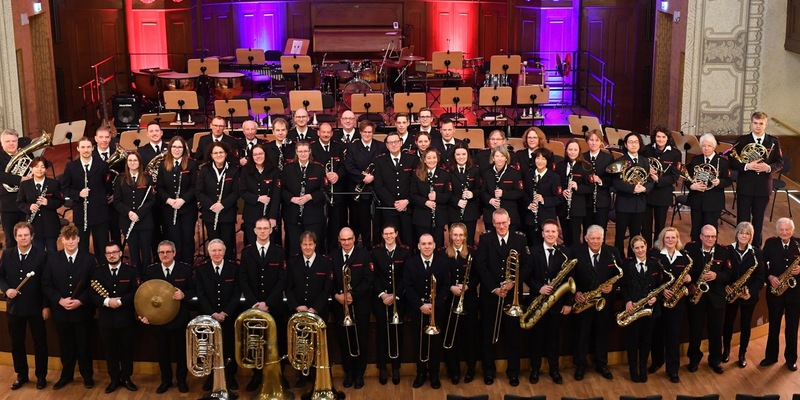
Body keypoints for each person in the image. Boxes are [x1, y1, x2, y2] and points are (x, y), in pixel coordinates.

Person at [476, 209, 529, 386]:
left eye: (503, 223)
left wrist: (514, 282)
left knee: (513, 336)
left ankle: (513, 372)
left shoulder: (520, 238)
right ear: (492, 223)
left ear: (509, 221)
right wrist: (494, 288)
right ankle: (489, 371)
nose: (500, 226)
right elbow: (481, 266)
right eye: (497, 223)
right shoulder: (485, 239)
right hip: (491, 295)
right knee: (488, 335)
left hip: (512, 295)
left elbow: (528, 266)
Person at [42, 224, 96, 390]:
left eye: (74, 238)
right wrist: (59, 300)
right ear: (62, 240)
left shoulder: (89, 258)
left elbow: (93, 285)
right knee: (65, 346)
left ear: (79, 239)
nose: (71, 241)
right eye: (67, 238)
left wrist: (81, 301)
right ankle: (67, 375)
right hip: (61, 311)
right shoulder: (52, 258)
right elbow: (46, 283)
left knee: (84, 344)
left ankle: (87, 376)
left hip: (82, 310)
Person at [239, 218, 289, 391]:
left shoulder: (279, 252)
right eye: (259, 228)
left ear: (270, 230)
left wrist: (267, 302)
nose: (262, 231)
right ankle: (257, 375)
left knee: (278, 340)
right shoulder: (246, 253)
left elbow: (282, 279)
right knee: (255, 341)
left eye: (265, 228)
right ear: (254, 231)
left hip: (273, 305)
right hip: (253, 307)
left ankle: (280, 374)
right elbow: (243, 279)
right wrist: (254, 302)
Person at [0, 222, 49, 390]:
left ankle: (41, 376)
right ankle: (21, 375)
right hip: (14, 308)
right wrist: (7, 290)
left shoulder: (42, 256)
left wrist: (45, 306)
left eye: (26, 235)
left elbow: (45, 283)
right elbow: (1, 278)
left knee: (40, 343)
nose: (23, 238)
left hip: (36, 307)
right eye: (20, 235)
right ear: (15, 237)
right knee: (16, 343)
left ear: (32, 236)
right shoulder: (7, 254)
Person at [140, 240, 194, 394]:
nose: (165, 255)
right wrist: (143, 315)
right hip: (159, 320)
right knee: (162, 352)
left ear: (174, 253)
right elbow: (144, 295)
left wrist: (184, 294)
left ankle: (182, 381)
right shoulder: (151, 271)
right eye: (161, 252)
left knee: (181, 352)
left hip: (180, 318)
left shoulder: (185, 269)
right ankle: (166, 381)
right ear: (158, 255)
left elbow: (193, 290)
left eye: (168, 252)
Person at [570, 225, 621, 381]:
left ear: (603, 238)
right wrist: (576, 292)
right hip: (584, 301)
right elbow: (570, 275)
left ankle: (601, 364)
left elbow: (620, 274)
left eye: (599, 238)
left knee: (602, 333)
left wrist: (613, 286)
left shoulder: (613, 252)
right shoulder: (576, 251)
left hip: (604, 302)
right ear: (586, 239)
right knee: (582, 334)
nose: (595, 241)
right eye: (592, 238)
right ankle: (580, 365)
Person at [284, 231, 333, 388]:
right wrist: (298, 307)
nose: (307, 247)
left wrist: (315, 308)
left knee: (318, 345)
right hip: (298, 311)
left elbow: (327, 289)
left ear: (315, 245)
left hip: (318, 312)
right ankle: (302, 375)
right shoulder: (292, 262)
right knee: (301, 344)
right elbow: (288, 287)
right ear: (300, 245)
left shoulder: (325, 262)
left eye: (310, 244)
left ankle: (317, 374)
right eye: (305, 244)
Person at [89, 242, 139, 393]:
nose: (112, 255)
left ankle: (127, 378)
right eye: (108, 253)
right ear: (105, 255)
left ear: (120, 254)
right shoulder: (98, 272)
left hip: (126, 319)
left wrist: (121, 301)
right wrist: (106, 301)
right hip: (106, 320)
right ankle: (114, 379)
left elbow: (136, 291)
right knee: (110, 351)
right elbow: (92, 294)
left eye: (114, 252)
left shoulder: (131, 271)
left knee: (127, 350)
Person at [527, 219, 571, 385]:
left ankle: (554, 369)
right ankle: (535, 370)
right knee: (536, 338)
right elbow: (527, 276)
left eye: (554, 232)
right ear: (542, 233)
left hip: (556, 303)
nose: (551, 234)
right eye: (548, 231)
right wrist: (539, 288)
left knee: (554, 338)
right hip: (538, 302)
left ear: (557, 233)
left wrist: (568, 302)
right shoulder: (533, 251)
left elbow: (569, 279)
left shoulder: (564, 252)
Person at [730, 111, 783, 247]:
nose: (758, 126)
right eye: (755, 123)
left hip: (763, 187)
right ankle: (739, 247)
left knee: (759, 220)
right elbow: (732, 162)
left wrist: (769, 168)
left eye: (761, 124)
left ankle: (756, 249)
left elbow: (779, 162)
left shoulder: (773, 141)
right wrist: (747, 166)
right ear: (751, 123)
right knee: (742, 220)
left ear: (766, 125)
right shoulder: (742, 140)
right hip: (745, 186)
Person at [619, 235, 667, 383]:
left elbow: (661, 286)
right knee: (632, 341)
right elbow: (624, 286)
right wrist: (627, 301)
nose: (640, 250)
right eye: (637, 248)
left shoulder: (655, 264)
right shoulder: (627, 265)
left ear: (646, 247)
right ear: (632, 250)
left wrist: (656, 298)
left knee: (646, 340)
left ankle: (643, 369)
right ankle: (633, 370)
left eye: (642, 247)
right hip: (633, 308)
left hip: (650, 309)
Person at [404, 233, 450, 389]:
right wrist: (420, 305)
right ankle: (421, 373)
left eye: (430, 243)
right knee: (419, 343)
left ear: (434, 245)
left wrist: (434, 304)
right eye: (423, 244)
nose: (427, 246)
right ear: (418, 246)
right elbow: (408, 287)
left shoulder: (443, 262)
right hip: (418, 310)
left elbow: (445, 286)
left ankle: (434, 375)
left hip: (436, 310)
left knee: (435, 345)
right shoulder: (410, 263)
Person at [684, 224, 730, 374]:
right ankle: (694, 359)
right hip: (697, 296)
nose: (710, 239)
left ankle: (715, 360)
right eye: (707, 236)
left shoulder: (723, 251)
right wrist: (691, 283)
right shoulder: (690, 249)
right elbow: (686, 269)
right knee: (695, 330)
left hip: (716, 298)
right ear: (701, 237)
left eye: (713, 237)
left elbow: (729, 274)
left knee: (716, 331)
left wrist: (717, 276)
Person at [195, 239, 241, 391]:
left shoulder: (234, 268)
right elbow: (201, 295)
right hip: (209, 317)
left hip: (228, 316)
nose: (217, 253)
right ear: (208, 252)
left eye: (219, 250)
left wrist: (225, 312)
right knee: (209, 348)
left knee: (228, 347)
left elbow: (236, 294)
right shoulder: (201, 270)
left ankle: (229, 376)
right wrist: (212, 313)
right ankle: (211, 377)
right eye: (213, 251)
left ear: (224, 251)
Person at [648, 226, 693, 383]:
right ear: (662, 239)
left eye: (673, 237)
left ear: (677, 239)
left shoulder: (685, 257)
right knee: (657, 334)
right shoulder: (654, 255)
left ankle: (673, 369)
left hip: (677, 302)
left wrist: (689, 279)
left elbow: (690, 275)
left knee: (673, 336)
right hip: (659, 301)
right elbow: (650, 278)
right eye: (667, 238)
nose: (670, 240)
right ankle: (657, 361)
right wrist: (662, 292)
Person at [331, 227, 373, 389]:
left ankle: (359, 373)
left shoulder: (364, 254)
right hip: (340, 305)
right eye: (343, 240)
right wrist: (337, 295)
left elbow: (368, 279)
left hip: (360, 304)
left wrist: (352, 295)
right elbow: (329, 281)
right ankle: (348, 372)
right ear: (339, 240)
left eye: (349, 239)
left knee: (361, 339)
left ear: (354, 238)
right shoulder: (333, 256)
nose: (346, 243)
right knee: (344, 340)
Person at [371, 224, 410, 385]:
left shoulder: (405, 252)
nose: (388, 236)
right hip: (380, 298)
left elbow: (406, 276)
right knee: (381, 332)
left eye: (391, 233)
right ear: (382, 235)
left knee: (397, 332)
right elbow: (374, 275)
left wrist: (395, 295)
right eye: (385, 234)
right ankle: (382, 367)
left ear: (396, 234)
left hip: (398, 299)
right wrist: (382, 294)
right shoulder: (375, 252)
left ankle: (395, 367)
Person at [722, 221, 765, 369]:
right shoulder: (727, 250)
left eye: (747, 233)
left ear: (751, 236)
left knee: (745, 325)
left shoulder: (757, 253)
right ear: (737, 234)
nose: (744, 235)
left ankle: (742, 354)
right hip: (731, 293)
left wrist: (750, 292)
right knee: (728, 323)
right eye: (741, 232)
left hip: (747, 296)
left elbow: (760, 278)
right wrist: (725, 286)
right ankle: (726, 350)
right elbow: (723, 271)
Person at [442, 223, 480, 384]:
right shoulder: (442, 254)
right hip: (450, 300)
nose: (458, 238)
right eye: (455, 235)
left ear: (465, 236)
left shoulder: (473, 253)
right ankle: (454, 371)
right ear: (450, 236)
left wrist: (468, 286)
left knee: (470, 337)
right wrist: (450, 287)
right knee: (452, 337)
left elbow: (478, 275)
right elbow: (440, 275)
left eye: (461, 235)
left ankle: (470, 370)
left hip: (469, 300)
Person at [760, 217, 800, 371]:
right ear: (777, 231)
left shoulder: (798, 243)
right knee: (774, 326)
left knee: (792, 327)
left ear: (792, 230)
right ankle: (771, 357)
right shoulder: (770, 243)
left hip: (795, 294)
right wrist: (769, 276)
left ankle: (791, 359)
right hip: (775, 292)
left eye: (787, 229)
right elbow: (762, 264)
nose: (784, 232)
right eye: (781, 230)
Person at [61, 136, 110, 259]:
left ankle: (102, 272)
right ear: (78, 148)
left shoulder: (102, 165)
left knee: (102, 245)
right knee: (82, 246)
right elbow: (65, 188)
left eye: (88, 147)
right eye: (83, 147)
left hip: (100, 212)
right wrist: (78, 194)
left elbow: (107, 186)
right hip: (81, 213)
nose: (86, 150)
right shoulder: (71, 167)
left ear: (93, 148)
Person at [157, 136, 198, 264]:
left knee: (187, 238)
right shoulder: (163, 165)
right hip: (169, 209)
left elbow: (195, 186)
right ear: (170, 148)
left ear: (184, 149)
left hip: (187, 208)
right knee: (173, 238)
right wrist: (168, 200)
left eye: (180, 147)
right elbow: (159, 186)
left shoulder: (192, 164)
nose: (177, 149)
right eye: (174, 147)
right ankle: (176, 266)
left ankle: (187, 266)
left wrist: (183, 200)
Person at [281, 141, 327, 257]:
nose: (303, 154)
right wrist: (292, 199)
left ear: (310, 151)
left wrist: (310, 197)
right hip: (293, 214)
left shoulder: (319, 168)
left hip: (313, 215)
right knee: (294, 247)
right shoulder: (288, 169)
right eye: (300, 151)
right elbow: (281, 189)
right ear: (296, 152)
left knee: (314, 246)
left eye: (305, 151)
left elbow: (324, 190)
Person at [612, 132, 654, 257]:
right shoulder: (620, 161)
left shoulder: (644, 161)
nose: (633, 144)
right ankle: (619, 260)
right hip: (624, 204)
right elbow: (616, 182)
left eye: (636, 142)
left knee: (635, 236)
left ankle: (632, 260)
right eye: (630, 142)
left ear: (640, 144)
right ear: (625, 144)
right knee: (620, 235)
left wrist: (644, 189)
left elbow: (650, 181)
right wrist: (632, 188)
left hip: (639, 205)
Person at [345, 120, 385, 247]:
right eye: (365, 132)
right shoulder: (352, 147)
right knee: (360, 220)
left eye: (370, 132)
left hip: (376, 188)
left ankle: (375, 246)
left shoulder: (380, 146)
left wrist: (373, 177)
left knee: (376, 221)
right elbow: (349, 167)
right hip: (359, 189)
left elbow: (384, 165)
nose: (367, 134)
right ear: (360, 132)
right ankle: (360, 246)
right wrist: (363, 177)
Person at [196, 142, 239, 261]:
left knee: (227, 244)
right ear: (211, 155)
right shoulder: (204, 170)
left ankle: (228, 270)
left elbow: (236, 192)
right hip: (210, 213)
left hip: (227, 213)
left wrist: (223, 205)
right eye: (215, 153)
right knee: (213, 243)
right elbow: (199, 191)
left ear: (226, 153)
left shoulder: (233, 170)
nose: (218, 155)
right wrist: (211, 205)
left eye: (221, 152)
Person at [373, 131, 417, 247]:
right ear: (386, 145)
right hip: (389, 208)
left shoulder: (412, 160)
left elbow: (415, 183)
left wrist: (407, 200)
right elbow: (378, 186)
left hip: (408, 208)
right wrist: (394, 203)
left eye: (396, 141)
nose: (393, 145)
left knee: (408, 240)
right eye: (390, 142)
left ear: (401, 142)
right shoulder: (379, 161)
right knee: (391, 241)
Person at [685, 133, 731, 242]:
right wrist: (692, 186)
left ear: (714, 147)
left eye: (709, 146)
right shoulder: (695, 160)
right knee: (696, 229)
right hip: (697, 199)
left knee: (710, 230)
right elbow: (688, 178)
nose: (706, 148)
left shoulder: (722, 162)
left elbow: (728, 180)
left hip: (713, 201)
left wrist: (719, 182)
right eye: (703, 146)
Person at [114, 151, 155, 271]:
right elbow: (117, 201)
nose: (133, 163)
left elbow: (151, 200)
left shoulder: (147, 178)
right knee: (133, 251)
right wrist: (129, 213)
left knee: (146, 251)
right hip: (127, 221)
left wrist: (139, 214)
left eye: (135, 160)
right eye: (130, 160)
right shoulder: (120, 179)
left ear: (140, 162)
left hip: (145, 222)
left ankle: (147, 277)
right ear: (127, 163)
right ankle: (136, 277)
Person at [642, 126, 682, 246]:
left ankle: (658, 251)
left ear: (667, 138)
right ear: (654, 137)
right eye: (658, 137)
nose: (660, 139)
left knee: (660, 226)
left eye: (663, 137)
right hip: (647, 192)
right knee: (646, 226)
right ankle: (647, 250)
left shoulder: (675, 153)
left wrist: (659, 180)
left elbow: (674, 176)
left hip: (663, 194)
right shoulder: (646, 150)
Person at [312, 122, 348, 251]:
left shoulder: (339, 147)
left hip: (336, 193)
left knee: (335, 224)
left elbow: (345, 166)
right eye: (323, 132)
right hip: (319, 192)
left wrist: (337, 175)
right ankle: (320, 251)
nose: (326, 134)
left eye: (328, 132)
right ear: (318, 133)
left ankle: (333, 252)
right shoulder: (312, 148)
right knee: (319, 225)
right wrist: (324, 175)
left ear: (332, 133)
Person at [16, 157, 64, 252]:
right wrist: (29, 207)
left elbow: (61, 201)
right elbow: (19, 202)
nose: (39, 169)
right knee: (37, 252)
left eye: (42, 167)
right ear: (31, 169)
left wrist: (48, 202)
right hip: (33, 225)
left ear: (46, 169)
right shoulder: (25, 185)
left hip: (50, 224)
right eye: (36, 166)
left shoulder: (54, 183)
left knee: (52, 251)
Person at [239, 143, 281, 247]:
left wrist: (273, 217)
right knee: (252, 244)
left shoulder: (274, 171)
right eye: (255, 154)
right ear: (251, 157)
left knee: (269, 245)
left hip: (269, 214)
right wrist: (258, 198)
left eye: (261, 154)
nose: (258, 156)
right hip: (251, 214)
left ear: (265, 154)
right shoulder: (245, 171)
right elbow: (242, 192)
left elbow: (277, 195)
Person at [555, 140, 592, 247]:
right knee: (566, 237)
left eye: (575, 150)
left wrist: (578, 187)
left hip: (577, 208)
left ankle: (576, 259)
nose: (572, 152)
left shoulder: (585, 166)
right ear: (566, 151)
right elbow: (556, 184)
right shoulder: (560, 166)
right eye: (570, 149)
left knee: (575, 237)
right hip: (563, 206)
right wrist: (562, 191)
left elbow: (590, 188)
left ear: (579, 151)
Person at [410, 148, 451, 245]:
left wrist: (437, 196)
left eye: (434, 157)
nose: (432, 160)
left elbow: (448, 195)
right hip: (421, 217)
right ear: (424, 160)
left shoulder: (444, 174)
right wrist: (425, 202)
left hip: (439, 217)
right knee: (423, 244)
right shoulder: (416, 174)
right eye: (429, 158)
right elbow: (413, 195)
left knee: (438, 245)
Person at [522, 148, 561, 247]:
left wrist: (544, 200)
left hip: (546, 217)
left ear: (547, 161)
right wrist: (529, 205)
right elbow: (524, 194)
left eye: (543, 159)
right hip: (531, 217)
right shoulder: (528, 175)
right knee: (532, 245)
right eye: (537, 158)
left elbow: (559, 198)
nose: (540, 161)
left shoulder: (554, 177)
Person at [0, 129, 33, 248]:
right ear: (2, 143)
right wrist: (21, 179)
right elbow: (2, 176)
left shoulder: (27, 154)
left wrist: (32, 175)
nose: (11, 143)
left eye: (14, 141)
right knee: (11, 240)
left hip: (26, 201)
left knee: (28, 237)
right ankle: (10, 266)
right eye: (8, 141)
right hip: (8, 203)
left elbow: (34, 168)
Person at [481, 146, 524, 233]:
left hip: (509, 214)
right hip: (490, 213)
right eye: (497, 156)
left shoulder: (515, 173)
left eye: (502, 156)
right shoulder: (486, 173)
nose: (499, 159)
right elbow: (482, 191)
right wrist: (490, 200)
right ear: (493, 158)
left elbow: (520, 193)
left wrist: (504, 194)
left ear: (506, 158)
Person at [448, 144, 480, 246]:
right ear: (454, 156)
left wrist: (472, 194)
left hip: (470, 212)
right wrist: (456, 201)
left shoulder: (474, 170)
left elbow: (480, 189)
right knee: (454, 242)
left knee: (469, 241)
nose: (461, 157)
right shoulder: (448, 171)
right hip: (454, 212)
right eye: (458, 154)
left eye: (463, 154)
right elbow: (445, 192)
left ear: (468, 155)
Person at [93, 126, 121, 242]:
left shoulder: (118, 154)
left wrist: (116, 195)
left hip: (114, 200)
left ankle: (117, 256)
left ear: (110, 138)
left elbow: (122, 177)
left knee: (116, 231)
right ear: (95, 139)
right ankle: (101, 259)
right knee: (99, 235)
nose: (104, 140)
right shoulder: (90, 155)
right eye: (101, 137)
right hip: (97, 202)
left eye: (107, 137)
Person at [582, 129, 614, 230]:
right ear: (587, 141)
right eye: (591, 140)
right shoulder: (582, 157)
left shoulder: (608, 158)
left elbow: (611, 180)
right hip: (586, 201)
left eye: (597, 140)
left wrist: (600, 181)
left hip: (602, 200)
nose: (594, 142)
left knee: (601, 230)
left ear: (601, 142)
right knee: (587, 230)